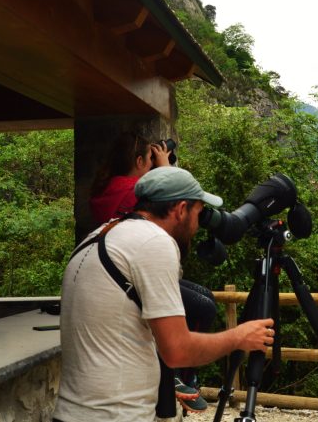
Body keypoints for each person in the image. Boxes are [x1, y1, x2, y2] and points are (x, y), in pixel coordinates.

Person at [54, 166, 274, 422]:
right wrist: (238, 337)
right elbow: (177, 351)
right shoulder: (153, 242)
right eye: (198, 213)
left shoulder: (101, 234)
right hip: (115, 415)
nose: (198, 225)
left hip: (74, 413)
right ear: (181, 209)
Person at [87, 132, 214, 411]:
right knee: (203, 306)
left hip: (121, 268)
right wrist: (166, 166)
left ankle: (182, 376)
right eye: (150, 158)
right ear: (139, 160)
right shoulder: (132, 189)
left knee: (202, 297)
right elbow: (172, 200)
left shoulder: (107, 187)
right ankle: (178, 375)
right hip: (136, 267)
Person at [89, 132, 170, 223]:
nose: (152, 163)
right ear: (139, 161)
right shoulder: (140, 192)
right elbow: (173, 214)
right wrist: (165, 169)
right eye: (151, 158)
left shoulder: (104, 188)